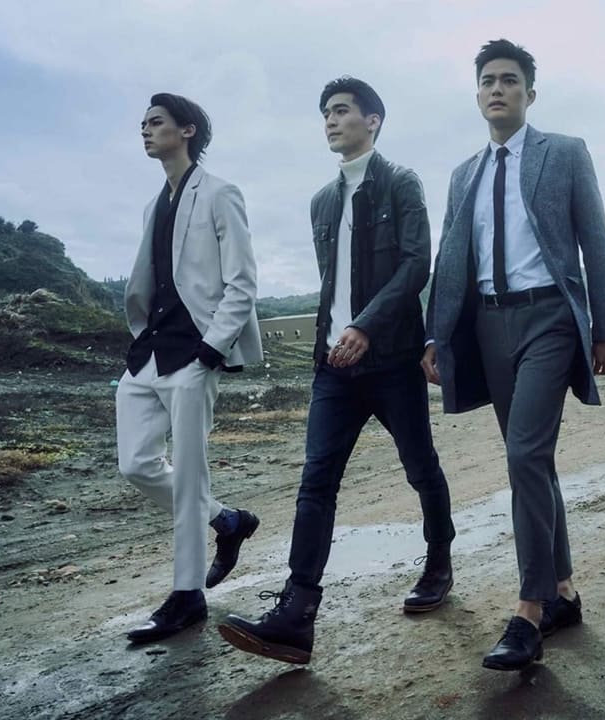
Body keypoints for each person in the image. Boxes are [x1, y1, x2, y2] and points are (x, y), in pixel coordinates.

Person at [219, 77, 456, 665]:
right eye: (326, 112)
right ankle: (297, 613)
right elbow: (333, 282)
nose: (330, 120)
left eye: (342, 110)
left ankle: (439, 562)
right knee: (316, 481)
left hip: (392, 360)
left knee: (420, 467)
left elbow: (415, 265)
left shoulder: (400, 182)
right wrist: (333, 337)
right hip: (334, 366)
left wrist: (366, 326)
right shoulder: (321, 201)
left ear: (372, 121)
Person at [423, 39, 605, 671]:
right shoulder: (464, 174)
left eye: (509, 80)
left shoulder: (564, 153)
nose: (497, 89)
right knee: (534, 461)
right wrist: (434, 335)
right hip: (488, 325)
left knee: (523, 456)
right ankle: (563, 592)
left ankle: (530, 611)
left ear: (529, 94)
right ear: (477, 94)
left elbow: (595, 240)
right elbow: (450, 258)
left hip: (550, 318)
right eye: (488, 80)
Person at [117, 93, 263, 643]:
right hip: (149, 353)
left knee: (189, 475)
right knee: (135, 463)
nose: (145, 130)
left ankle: (187, 596)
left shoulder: (220, 193)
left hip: (194, 355)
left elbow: (242, 282)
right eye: (143, 124)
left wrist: (211, 350)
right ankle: (226, 519)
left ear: (188, 130)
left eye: (156, 122)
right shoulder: (153, 205)